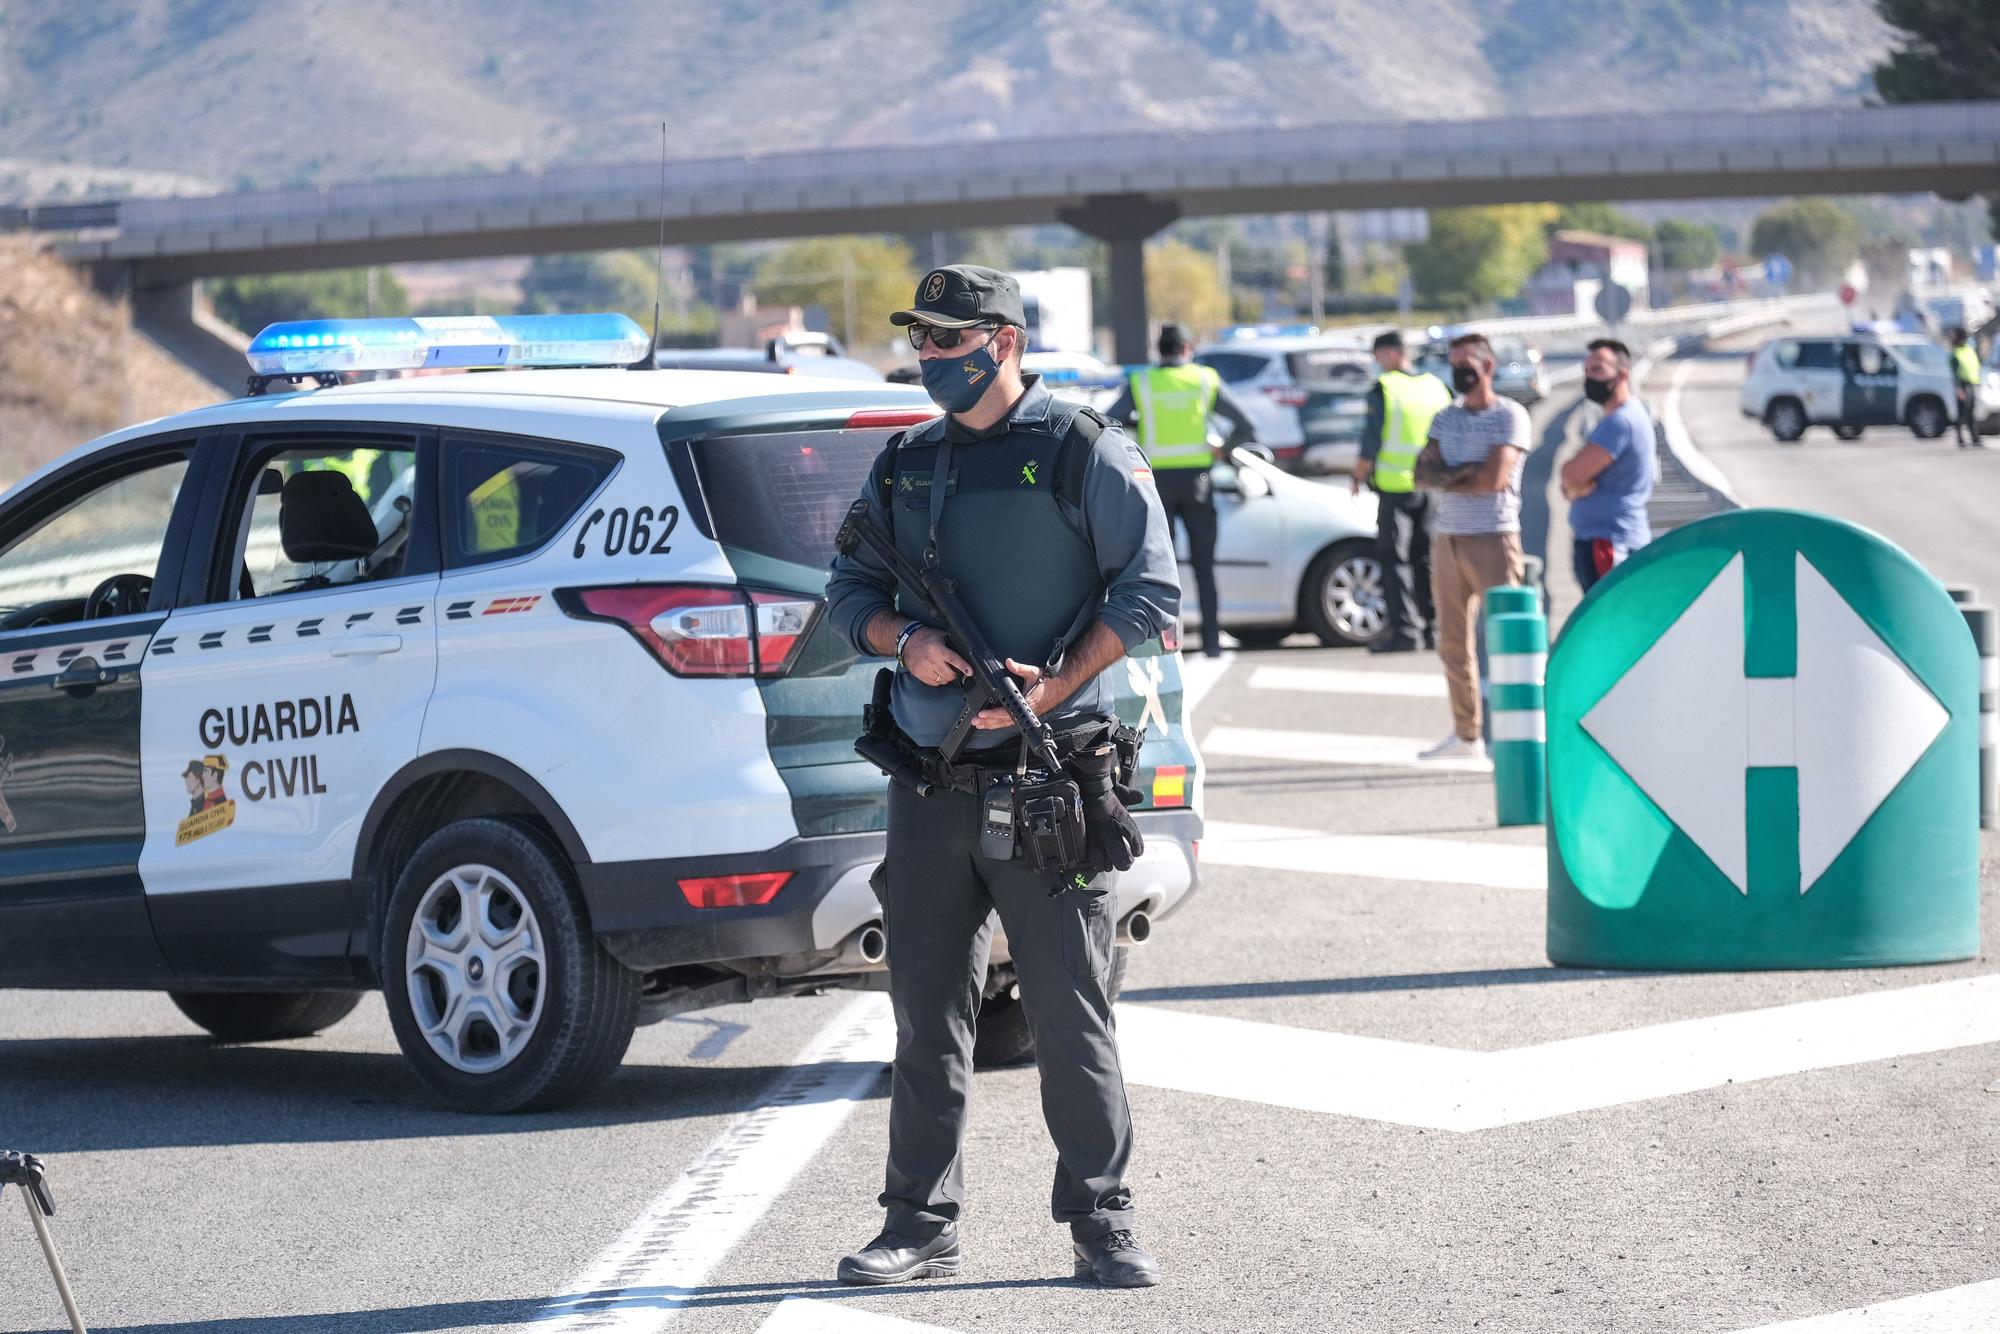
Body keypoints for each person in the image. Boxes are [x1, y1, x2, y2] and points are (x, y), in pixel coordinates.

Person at [825, 265, 1179, 1290]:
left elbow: (1149, 588)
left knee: (1070, 1008)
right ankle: (916, 1224)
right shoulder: (903, 463)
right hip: (930, 780)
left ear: (1003, 340)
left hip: (1050, 776)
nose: (932, 357)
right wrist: (905, 640)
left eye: (950, 339)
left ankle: (1101, 1217)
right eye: (922, 341)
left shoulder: (1080, 450)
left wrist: (1054, 678)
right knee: (925, 1008)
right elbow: (847, 588)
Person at [1106, 322, 1255, 657]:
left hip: (1155, 484)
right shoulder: (1204, 379)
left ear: (1159, 350)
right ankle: (1213, 642)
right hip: (1198, 482)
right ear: (1187, 349)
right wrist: (1223, 450)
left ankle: (1166, 643)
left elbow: (1109, 421)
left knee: (1160, 569)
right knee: (1205, 565)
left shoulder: (1142, 381)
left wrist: (1136, 425)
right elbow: (1247, 424)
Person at [1412, 332, 1529, 760]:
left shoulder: (1510, 417)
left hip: (1494, 538)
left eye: (1467, 364)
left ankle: (1519, 734)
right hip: (1448, 539)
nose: (1459, 371)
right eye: (1454, 363)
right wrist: (1465, 471)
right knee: (1453, 644)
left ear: (1488, 367)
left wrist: (1453, 473)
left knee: (1507, 640)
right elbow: (1422, 474)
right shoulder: (1446, 417)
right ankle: (1467, 736)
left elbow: (1494, 479)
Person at [1353, 330, 1452, 652]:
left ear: (1393, 353)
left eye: (1378, 355)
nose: (1376, 363)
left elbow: (1371, 439)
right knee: (1426, 558)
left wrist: (1358, 475)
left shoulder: (1385, 389)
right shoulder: (1435, 386)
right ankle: (1433, 628)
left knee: (1394, 559)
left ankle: (1404, 631)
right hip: (1431, 486)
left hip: (1395, 488)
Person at [1559, 338, 1654, 594]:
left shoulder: (1620, 422)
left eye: (1598, 370)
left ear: (1622, 374)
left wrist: (1573, 483)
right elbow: (1571, 483)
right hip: (1606, 539)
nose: (1590, 377)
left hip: (1610, 543)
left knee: (1612, 625)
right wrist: (1572, 486)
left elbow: (1571, 474)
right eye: (1587, 370)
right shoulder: (1619, 417)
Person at [1950, 326, 1982, 448]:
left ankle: (1975, 439)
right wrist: (1958, 389)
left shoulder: (1969, 350)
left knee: (1971, 413)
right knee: (1962, 413)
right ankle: (1960, 438)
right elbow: (1954, 373)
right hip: (1962, 386)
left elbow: (1975, 367)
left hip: (1972, 384)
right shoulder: (1955, 353)